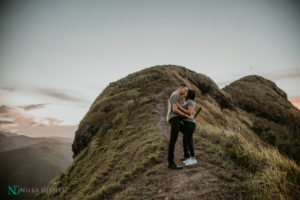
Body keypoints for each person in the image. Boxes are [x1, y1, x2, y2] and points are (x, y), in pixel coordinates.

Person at [167, 83, 193, 170]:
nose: (185, 92)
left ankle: (186, 154)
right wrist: (186, 116)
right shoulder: (176, 95)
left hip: (175, 119)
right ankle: (171, 162)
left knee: (186, 132)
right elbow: (174, 109)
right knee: (173, 140)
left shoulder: (175, 95)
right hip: (174, 119)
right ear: (181, 88)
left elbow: (176, 108)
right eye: (185, 90)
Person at [177, 89, 197, 166]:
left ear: (189, 94)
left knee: (189, 140)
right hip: (187, 124)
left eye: (186, 92)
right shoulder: (187, 102)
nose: (185, 93)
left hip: (190, 124)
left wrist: (179, 107)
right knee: (186, 139)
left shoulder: (191, 101)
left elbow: (190, 112)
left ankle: (193, 159)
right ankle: (190, 158)